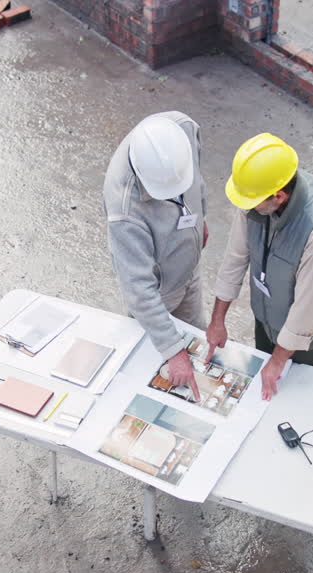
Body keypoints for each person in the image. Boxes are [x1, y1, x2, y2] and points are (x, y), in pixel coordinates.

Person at [205, 133, 313, 400]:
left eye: (251, 204)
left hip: (306, 341)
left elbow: (308, 312)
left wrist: (279, 360)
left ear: (278, 196)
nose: (244, 209)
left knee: (296, 401)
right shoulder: (256, 197)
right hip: (267, 321)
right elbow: (235, 258)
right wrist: (217, 320)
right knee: (264, 395)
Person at [104, 112, 210, 401]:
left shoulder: (183, 129)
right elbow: (139, 291)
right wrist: (173, 352)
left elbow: (197, 182)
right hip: (159, 292)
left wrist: (202, 218)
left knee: (198, 342)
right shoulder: (124, 210)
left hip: (188, 269)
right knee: (153, 366)